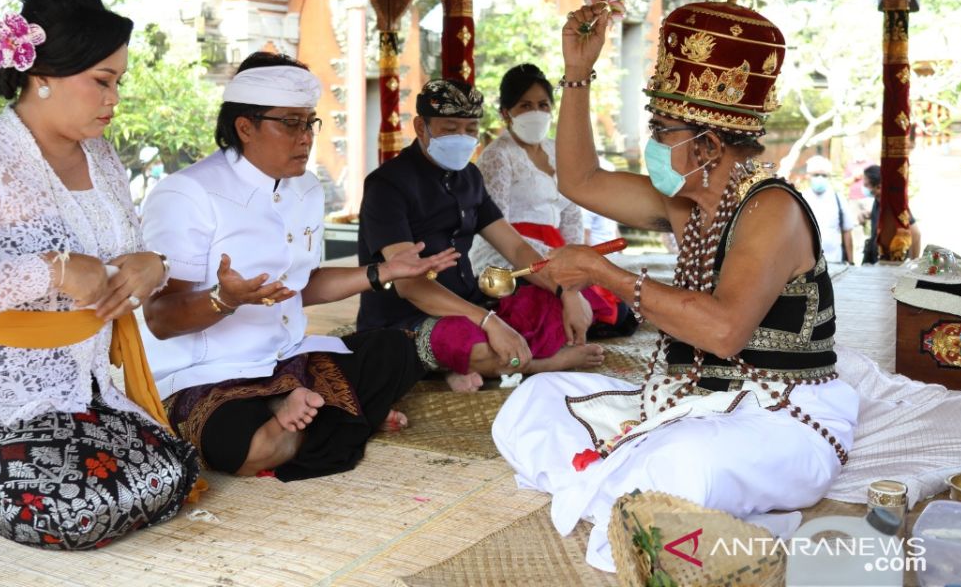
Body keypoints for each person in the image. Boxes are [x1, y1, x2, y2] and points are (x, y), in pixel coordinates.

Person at [493, 0, 859, 571]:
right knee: (531, 402)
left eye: (663, 131)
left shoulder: (773, 209)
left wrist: (600, 272)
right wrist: (576, 73)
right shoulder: (683, 200)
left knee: (686, 462)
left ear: (710, 142)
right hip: (691, 397)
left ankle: (633, 488)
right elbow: (580, 181)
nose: (653, 144)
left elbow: (722, 333)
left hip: (781, 412)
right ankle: (634, 491)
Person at [0, 0, 200, 550]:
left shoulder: (101, 156)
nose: (113, 98)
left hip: (84, 381)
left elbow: (125, 256)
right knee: (79, 515)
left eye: (118, 83)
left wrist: (154, 265)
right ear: (43, 77)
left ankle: (28, 474)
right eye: (102, 81)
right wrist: (48, 271)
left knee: (172, 473)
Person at [140, 53, 458, 480]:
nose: (305, 137)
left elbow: (301, 286)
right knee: (246, 447)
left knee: (397, 350)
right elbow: (160, 318)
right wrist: (224, 300)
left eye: (310, 122)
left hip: (286, 358)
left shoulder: (306, 188)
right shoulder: (187, 193)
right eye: (290, 122)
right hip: (205, 374)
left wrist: (381, 272)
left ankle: (308, 414)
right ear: (245, 127)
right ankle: (337, 415)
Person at [357, 78, 605, 393]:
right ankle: (542, 364)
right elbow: (410, 286)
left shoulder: (470, 177)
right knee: (469, 341)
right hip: (407, 317)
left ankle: (465, 366)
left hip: (470, 303)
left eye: (471, 129)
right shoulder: (387, 185)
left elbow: (515, 247)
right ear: (421, 127)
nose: (463, 137)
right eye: (450, 128)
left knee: (558, 305)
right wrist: (489, 323)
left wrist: (566, 292)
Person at [469, 64, 620, 331]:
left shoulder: (557, 150)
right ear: (506, 113)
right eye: (525, 106)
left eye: (543, 105)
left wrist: (573, 258)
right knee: (543, 313)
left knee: (619, 310)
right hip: (509, 257)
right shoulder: (498, 155)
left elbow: (572, 212)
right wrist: (548, 259)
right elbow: (495, 226)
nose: (536, 113)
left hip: (557, 250)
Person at [801, 154, 856, 265]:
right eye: (816, 175)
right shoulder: (802, 199)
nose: (820, 178)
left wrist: (851, 262)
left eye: (824, 175)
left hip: (834, 260)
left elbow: (847, 231)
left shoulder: (838, 199)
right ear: (808, 176)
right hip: (807, 264)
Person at [861, 164, 921, 263]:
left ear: (879, 187)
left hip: (892, 265)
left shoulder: (894, 205)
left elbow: (916, 234)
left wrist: (913, 264)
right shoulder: (878, 201)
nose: (864, 188)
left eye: (866, 185)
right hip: (877, 262)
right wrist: (868, 214)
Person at [130, 144, 165, 209]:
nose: (160, 165)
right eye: (156, 163)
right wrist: (140, 198)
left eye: (160, 162)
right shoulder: (136, 184)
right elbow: (130, 208)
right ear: (146, 165)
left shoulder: (166, 179)